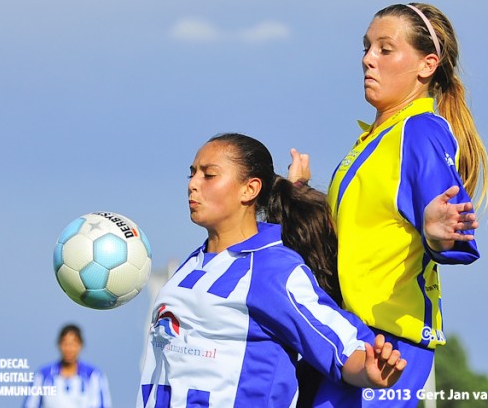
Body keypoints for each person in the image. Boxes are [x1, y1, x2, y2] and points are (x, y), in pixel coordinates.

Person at [289, 2, 488, 407]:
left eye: (385, 49)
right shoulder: (376, 138)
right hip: (350, 336)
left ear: (427, 65)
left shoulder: (419, 130)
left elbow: (451, 230)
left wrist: (437, 235)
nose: (367, 59)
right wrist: (300, 198)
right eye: (366, 47)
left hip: (390, 345)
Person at [135, 133, 407, 408]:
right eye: (192, 173)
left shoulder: (272, 270)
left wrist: (368, 370)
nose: (192, 184)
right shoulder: (193, 264)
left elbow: (342, 344)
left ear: (249, 189)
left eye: (209, 175)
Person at [23, 324, 112, 408]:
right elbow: (30, 404)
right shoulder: (43, 375)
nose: (69, 349)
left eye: (73, 344)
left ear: (80, 345)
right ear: (59, 345)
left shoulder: (94, 375)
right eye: (65, 344)